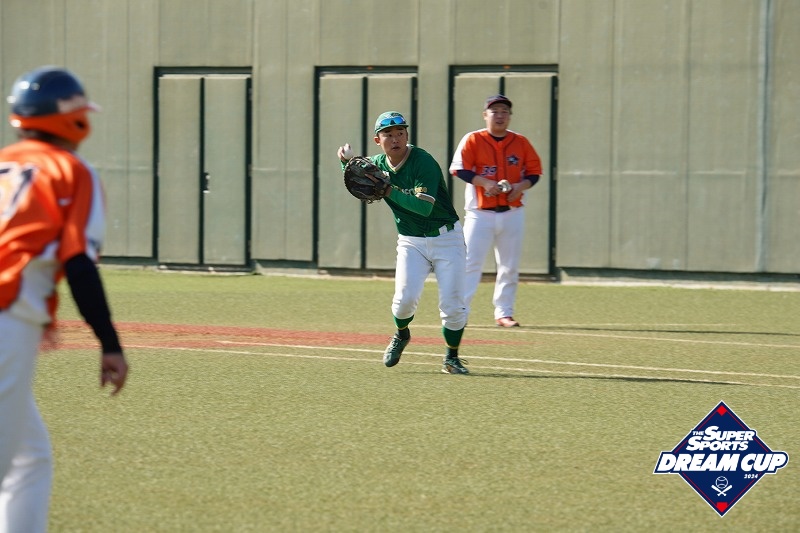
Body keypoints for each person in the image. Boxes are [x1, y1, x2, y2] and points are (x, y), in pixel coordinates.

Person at [0, 66, 128, 533]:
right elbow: (78, 264)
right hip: (6, 317)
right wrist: (109, 343)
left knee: (29, 457)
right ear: (72, 119)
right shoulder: (71, 170)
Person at [337, 111, 469, 374]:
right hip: (411, 240)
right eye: (388, 134)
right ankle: (401, 334)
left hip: (447, 238)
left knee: (453, 305)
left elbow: (424, 208)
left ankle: (451, 358)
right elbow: (356, 175)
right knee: (403, 301)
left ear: (407, 135)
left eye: (400, 133)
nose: (395, 138)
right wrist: (345, 162)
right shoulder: (376, 164)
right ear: (378, 140)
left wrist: (387, 190)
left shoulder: (423, 162)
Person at [449, 95, 542, 328]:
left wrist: (520, 187)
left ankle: (504, 312)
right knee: (470, 263)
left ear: (510, 116)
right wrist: (485, 183)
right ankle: (460, 312)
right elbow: (458, 169)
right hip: (479, 213)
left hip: (512, 211)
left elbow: (534, 172)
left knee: (509, 266)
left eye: (504, 111)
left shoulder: (520, 141)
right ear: (485, 115)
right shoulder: (473, 139)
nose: (500, 115)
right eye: (495, 111)